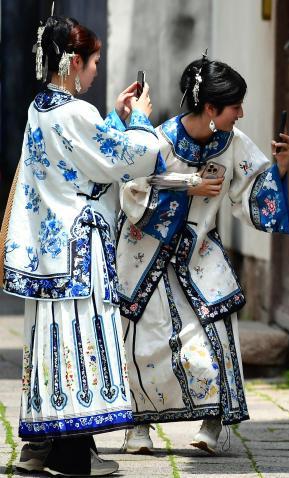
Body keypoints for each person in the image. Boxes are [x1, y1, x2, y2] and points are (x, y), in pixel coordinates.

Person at [0, 14, 160, 476]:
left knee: (50, 342)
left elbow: (80, 155)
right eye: (93, 63)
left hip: (48, 249)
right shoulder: (76, 113)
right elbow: (125, 158)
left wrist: (114, 119)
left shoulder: (40, 108)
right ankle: (72, 457)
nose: (95, 71)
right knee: (78, 338)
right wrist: (140, 121)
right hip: (79, 249)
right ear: (73, 63)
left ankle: (42, 446)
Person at [116, 55, 289, 455]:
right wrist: (187, 185)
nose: (240, 114)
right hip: (146, 256)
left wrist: (279, 169)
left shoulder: (233, 142)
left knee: (216, 334)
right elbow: (133, 190)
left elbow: (252, 192)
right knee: (146, 344)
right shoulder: (159, 140)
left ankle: (213, 422)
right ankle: (139, 427)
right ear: (211, 108)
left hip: (199, 254)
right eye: (235, 107)